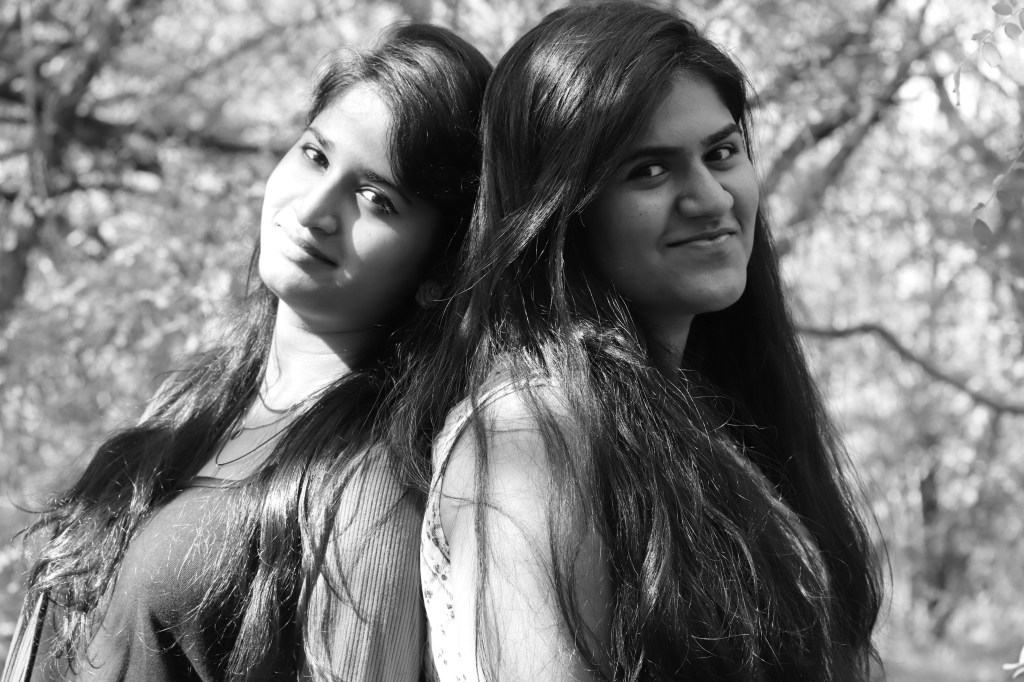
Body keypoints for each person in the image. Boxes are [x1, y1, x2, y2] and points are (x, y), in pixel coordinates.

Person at [407, 2, 883, 680]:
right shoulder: (532, 434)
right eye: (650, 171)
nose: (711, 198)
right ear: (561, 211)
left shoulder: (707, 416)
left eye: (721, 153)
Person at [12, 23, 490, 681]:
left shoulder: (366, 491)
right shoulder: (192, 401)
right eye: (315, 155)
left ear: (442, 265)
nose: (316, 207)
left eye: (376, 199)